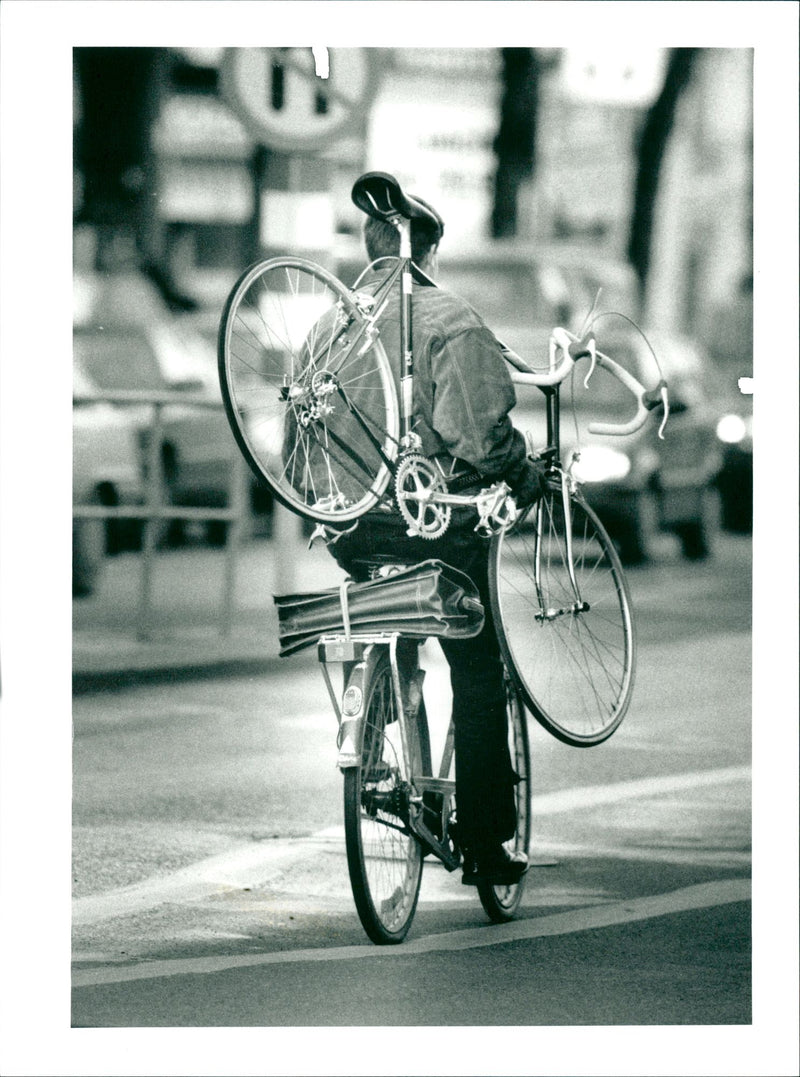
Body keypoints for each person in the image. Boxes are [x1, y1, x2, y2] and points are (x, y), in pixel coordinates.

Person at [328, 189, 546, 887]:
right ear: (429, 252)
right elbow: (480, 438)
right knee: (480, 668)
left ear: (370, 251)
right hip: (435, 524)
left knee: (391, 616)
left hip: (353, 529)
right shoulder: (451, 318)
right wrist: (524, 473)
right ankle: (485, 842)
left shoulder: (330, 328)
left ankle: (385, 705)